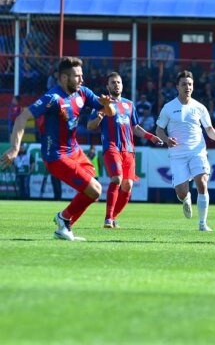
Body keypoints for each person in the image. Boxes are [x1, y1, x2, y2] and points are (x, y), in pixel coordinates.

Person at [0, 56, 115, 241]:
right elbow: (22, 118)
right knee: (95, 189)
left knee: (91, 192)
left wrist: (108, 106)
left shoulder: (83, 93)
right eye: (77, 76)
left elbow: (109, 112)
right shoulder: (52, 98)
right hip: (55, 156)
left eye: (82, 75)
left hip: (75, 151)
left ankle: (64, 226)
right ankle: (63, 219)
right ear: (63, 78)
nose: (82, 79)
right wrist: (14, 148)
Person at [87, 72, 163, 228]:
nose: (116, 85)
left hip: (128, 150)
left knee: (127, 185)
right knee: (117, 179)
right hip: (112, 147)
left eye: (118, 82)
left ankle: (113, 217)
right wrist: (100, 117)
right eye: (113, 82)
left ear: (122, 85)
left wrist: (151, 137)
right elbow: (90, 126)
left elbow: (135, 127)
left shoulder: (129, 104)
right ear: (107, 86)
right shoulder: (102, 103)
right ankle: (108, 218)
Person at [156, 70, 215, 232]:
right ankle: (186, 199)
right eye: (184, 84)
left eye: (190, 84)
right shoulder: (168, 107)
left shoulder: (199, 107)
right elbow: (159, 130)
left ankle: (202, 224)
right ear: (177, 86)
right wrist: (166, 139)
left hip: (197, 151)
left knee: (202, 182)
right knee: (181, 192)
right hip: (177, 154)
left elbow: (209, 128)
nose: (188, 87)